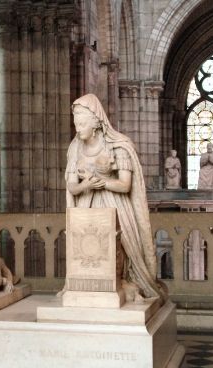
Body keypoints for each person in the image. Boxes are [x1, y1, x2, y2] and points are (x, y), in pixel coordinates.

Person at [65, 93, 166, 301]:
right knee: (86, 248)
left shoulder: (118, 145)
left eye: (82, 123)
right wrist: (85, 184)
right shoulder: (75, 147)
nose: (78, 128)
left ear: (95, 122)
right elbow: (71, 187)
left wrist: (102, 182)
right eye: (76, 123)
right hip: (87, 204)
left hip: (115, 205)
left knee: (117, 246)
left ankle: (120, 283)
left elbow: (126, 185)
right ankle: (87, 287)